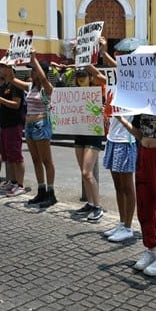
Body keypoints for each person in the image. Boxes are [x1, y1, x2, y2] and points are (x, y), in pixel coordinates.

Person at [115, 113, 156, 277]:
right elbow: (139, 133)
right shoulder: (142, 105)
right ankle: (150, 248)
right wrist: (121, 120)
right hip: (144, 154)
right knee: (145, 205)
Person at [98, 39, 137, 242]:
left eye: (125, 55)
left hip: (127, 139)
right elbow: (96, 72)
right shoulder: (114, 79)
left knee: (127, 186)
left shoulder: (136, 78)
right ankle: (122, 222)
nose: (122, 59)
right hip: (113, 138)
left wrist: (105, 54)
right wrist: (88, 54)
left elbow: (122, 68)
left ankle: (129, 226)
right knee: (118, 185)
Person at [15, 51, 57, 208]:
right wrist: (8, 62)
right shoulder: (30, 86)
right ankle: (41, 190)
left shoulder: (47, 87)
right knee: (35, 160)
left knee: (46, 160)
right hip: (29, 125)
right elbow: (12, 79)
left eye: (33, 69)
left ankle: (51, 193)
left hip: (41, 123)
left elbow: (44, 79)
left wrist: (34, 60)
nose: (30, 72)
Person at [0, 63, 30, 196]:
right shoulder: (4, 86)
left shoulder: (16, 85)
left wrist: (0, 99)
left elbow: (16, 104)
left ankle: (20, 185)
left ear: (9, 70)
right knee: (8, 155)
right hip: (4, 124)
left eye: (2, 68)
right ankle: (13, 181)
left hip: (14, 124)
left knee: (16, 155)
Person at [71, 66, 106, 221]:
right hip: (80, 133)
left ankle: (98, 206)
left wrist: (104, 111)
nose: (80, 79)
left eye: (83, 76)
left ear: (90, 77)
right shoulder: (74, 93)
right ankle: (90, 204)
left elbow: (105, 109)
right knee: (83, 172)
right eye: (78, 76)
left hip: (93, 134)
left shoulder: (99, 91)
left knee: (87, 172)